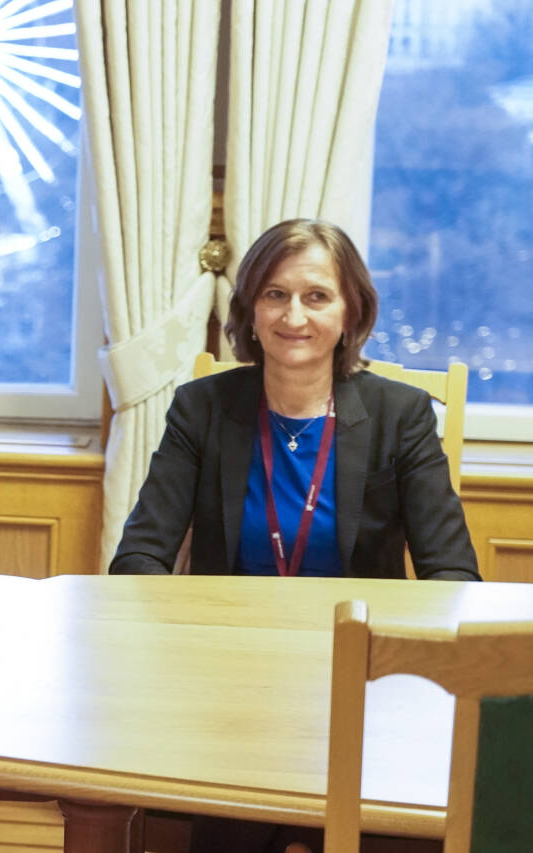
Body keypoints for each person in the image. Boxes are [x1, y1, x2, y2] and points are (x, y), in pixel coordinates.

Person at [110, 218, 479, 853]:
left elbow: (454, 578)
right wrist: (186, 654)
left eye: (316, 296)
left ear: (350, 311)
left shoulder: (402, 416)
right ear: (250, 309)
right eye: (275, 294)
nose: (294, 317)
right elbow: (138, 557)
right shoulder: (201, 408)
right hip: (229, 684)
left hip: (368, 684)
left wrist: (401, 668)